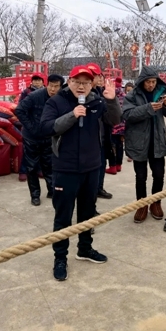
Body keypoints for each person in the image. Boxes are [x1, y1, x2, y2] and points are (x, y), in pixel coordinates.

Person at [40, 66, 121, 281]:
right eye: (77, 81)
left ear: (92, 83)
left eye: (86, 82)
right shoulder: (56, 101)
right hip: (65, 168)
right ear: (70, 81)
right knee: (63, 216)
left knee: (87, 213)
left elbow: (114, 120)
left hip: (92, 167)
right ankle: (60, 257)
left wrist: (112, 100)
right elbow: (47, 127)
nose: (82, 86)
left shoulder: (97, 101)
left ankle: (84, 248)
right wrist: (72, 115)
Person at [123, 66, 166, 223]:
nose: (151, 85)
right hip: (138, 141)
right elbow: (127, 114)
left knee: (159, 175)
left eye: (153, 81)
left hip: (157, 140)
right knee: (141, 176)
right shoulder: (132, 95)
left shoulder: (162, 92)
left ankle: (156, 202)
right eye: (148, 82)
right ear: (142, 82)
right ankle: (141, 205)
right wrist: (147, 108)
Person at [15, 74, 64, 205]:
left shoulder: (60, 98)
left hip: (49, 137)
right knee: (32, 167)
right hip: (32, 138)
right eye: (51, 85)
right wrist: (31, 127)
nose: (53, 89)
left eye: (56, 86)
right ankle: (35, 195)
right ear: (46, 84)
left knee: (49, 166)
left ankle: (51, 191)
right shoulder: (34, 96)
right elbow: (19, 110)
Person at [88, 63, 114, 200]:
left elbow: (113, 116)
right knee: (90, 169)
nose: (94, 78)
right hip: (90, 140)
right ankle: (90, 194)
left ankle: (99, 188)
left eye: (96, 75)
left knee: (102, 164)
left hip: (103, 136)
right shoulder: (80, 95)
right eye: (91, 75)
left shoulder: (101, 92)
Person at [18, 72, 46, 182]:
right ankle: (23, 171)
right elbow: (21, 108)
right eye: (35, 80)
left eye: (39, 80)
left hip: (43, 125)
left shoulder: (47, 92)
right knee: (28, 151)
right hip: (30, 125)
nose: (37, 82)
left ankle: (39, 169)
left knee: (42, 150)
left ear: (43, 82)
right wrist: (27, 124)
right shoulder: (27, 92)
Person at [107, 77, 126, 174]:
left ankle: (113, 166)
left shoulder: (111, 96)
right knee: (120, 147)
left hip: (113, 127)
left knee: (112, 147)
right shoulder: (125, 96)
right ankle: (119, 165)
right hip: (123, 127)